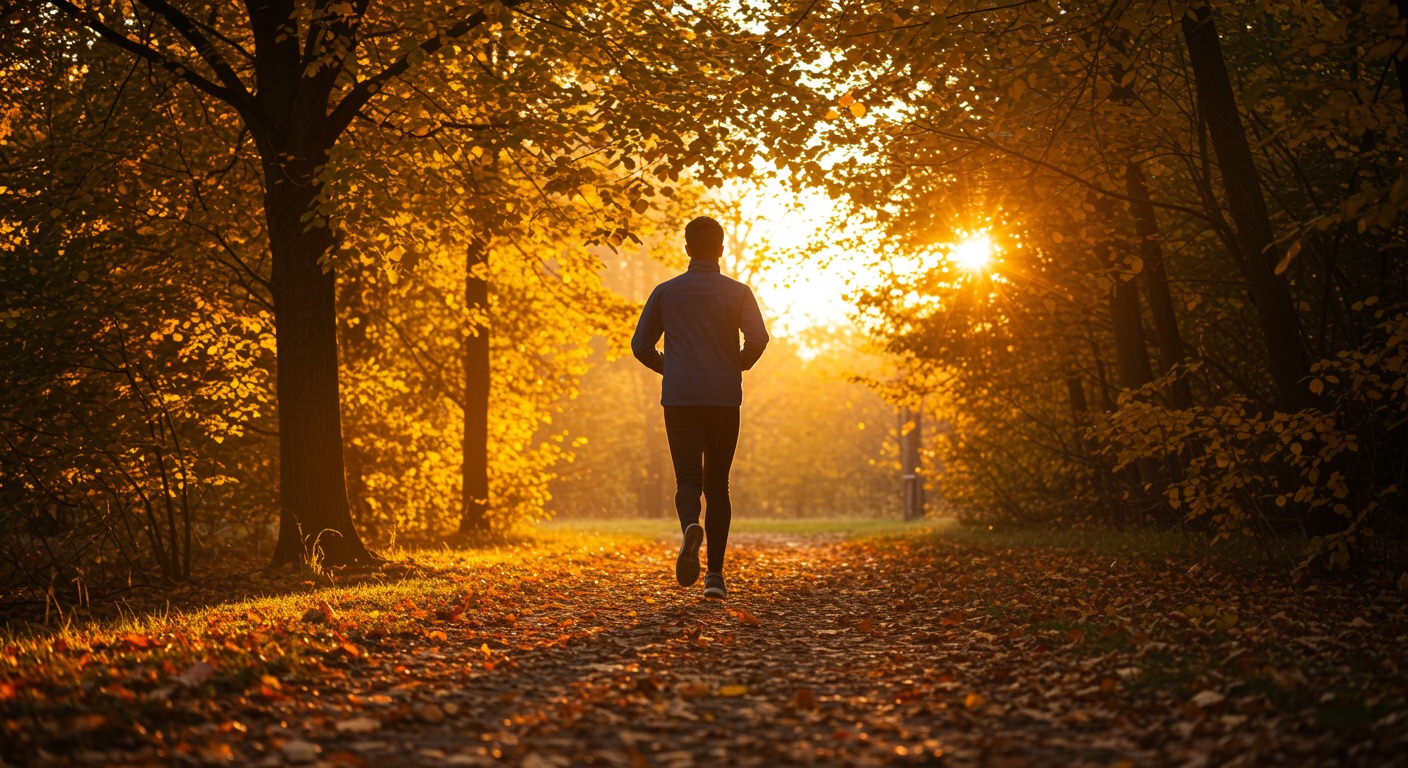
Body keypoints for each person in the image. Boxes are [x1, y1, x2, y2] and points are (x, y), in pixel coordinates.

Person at [631, 216, 769, 600]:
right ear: (721, 250)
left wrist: (669, 368)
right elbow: (759, 337)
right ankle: (715, 578)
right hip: (723, 397)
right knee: (718, 485)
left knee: (688, 480)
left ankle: (691, 525)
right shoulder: (738, 292)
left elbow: (640, 346)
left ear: (688, 249)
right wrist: (737, 363)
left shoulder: (666, 292)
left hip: (680, 397)